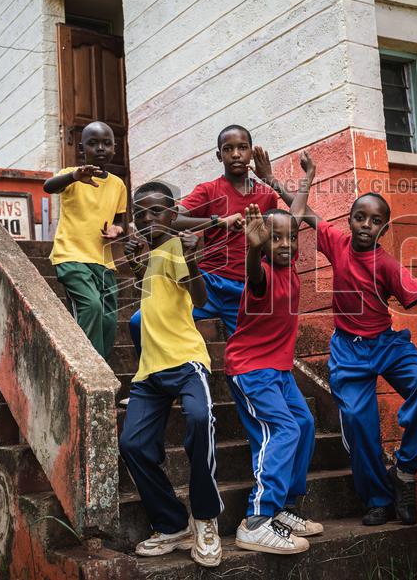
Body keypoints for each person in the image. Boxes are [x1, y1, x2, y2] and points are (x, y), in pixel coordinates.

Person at [263, 151, 417, 527]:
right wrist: (274, 181)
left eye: (375, 221)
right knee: (357, 421)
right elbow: (302, 211)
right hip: (348, 352)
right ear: (350, 221)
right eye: (360, 217)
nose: (366, 224)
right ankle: (378, 499)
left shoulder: (387, 265)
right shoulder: (335, 242)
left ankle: (406, 468)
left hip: (386, 345)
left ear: (384, 229)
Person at [118, 181, 222, 568]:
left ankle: (206, 518)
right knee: (132, 445)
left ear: (173, 213)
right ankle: (172, 523)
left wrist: (193, 261)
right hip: (150, 370)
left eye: (157, 211)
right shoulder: (148, 252)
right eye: (140, 213)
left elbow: (200, 299)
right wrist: (134, 263)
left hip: (186, 362)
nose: (148, 218)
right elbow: (151, 298)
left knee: (199, 419)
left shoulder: (181, 246)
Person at [224, 153, 322, 554]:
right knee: (281, 430)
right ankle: (257, 519)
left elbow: (295, 213)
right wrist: (252, 249)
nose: (285, 243)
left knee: (305, 423)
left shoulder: (290, 260)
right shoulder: (262, 275)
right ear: (265, 244)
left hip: (278, 370)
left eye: (291, 238)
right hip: (251, 371)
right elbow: (253, 272)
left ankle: (284, 508)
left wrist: (307, 177)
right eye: (276, 239)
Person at [127, 125, 278, 353]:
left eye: (242, 148)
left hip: (245, 289)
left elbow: (272, 243)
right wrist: (218, 221)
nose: (236, 154)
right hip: (208, 283)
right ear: (219, 156)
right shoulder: (208, 190)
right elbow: (173, 219)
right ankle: (150, 378)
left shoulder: (267, 197)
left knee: (247, 355)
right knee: (140, 321)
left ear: (250, 153)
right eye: (228, 149)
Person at [43, 122, 128, 363]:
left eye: (106, 143)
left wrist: (117, 229)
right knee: (91, 307)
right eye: (92, 143)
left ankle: (100, 366)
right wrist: (74, 176)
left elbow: (120, 219)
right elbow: (48, 187)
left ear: (114, 148)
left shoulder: (118, 185)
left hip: (103, 262)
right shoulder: (71, 175)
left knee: (109, 320)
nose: (100, 148)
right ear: (82, 149)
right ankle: (90, 369)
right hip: (71, 257)